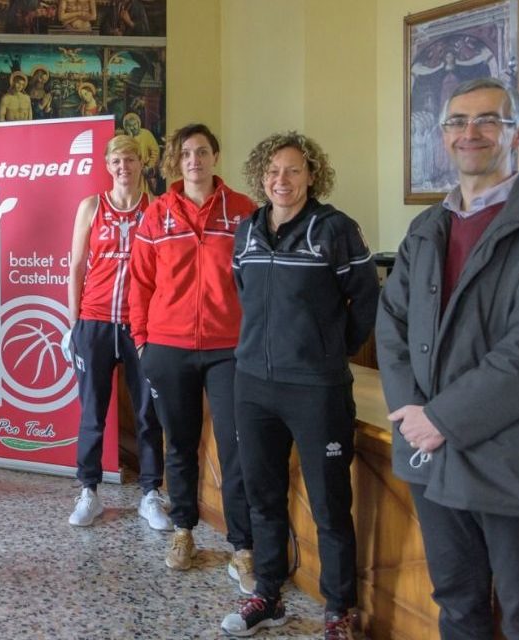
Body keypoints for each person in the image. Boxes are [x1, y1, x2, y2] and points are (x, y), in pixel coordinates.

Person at [377, 77, 519, 639]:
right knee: (457, 600)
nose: (471, 133)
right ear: (443, 137)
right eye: (457, 123)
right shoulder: (427, 229)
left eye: (488, 120)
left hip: (511, 458)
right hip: (430, 456)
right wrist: (415, 416)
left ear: (516, 134)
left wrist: (441, 419)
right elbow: (390, 326)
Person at [221, 133, 379, 638]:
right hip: (253, 385)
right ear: (261, 177)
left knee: (330, 504)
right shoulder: (246, 231)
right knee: (262, 497)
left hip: (316, 389)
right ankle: (267, 594)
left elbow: (365, 301)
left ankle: (338, 611)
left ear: (312, 175)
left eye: (292, 170)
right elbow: (244, 293)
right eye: (272, 171)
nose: (281, 180)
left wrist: (330, 352)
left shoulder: (335, 230)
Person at [128, 123, 257, 588]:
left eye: (202, 152)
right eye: (186, 154)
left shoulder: (244, 212)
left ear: (215, 157)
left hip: (230, 349)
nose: (195, 160)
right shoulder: (157, 214)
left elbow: (258, 281)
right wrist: (142, 341)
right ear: (176, 162)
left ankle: (243, 546)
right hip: (168, 347)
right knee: (179, 444)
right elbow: (139, 283)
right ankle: (183, 530)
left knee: (236, 446)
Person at [65, 134, 168, 530]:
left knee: (147, 411)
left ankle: (150, 494)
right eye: (116, 162)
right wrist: (74, 324)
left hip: (142, 326)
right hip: (94, 322)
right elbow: (76, 266)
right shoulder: (92, 206)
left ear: (142, 163)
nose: (123, 167)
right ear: (107, 167)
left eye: (130, 160)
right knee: (93, 410)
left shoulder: (157, 210)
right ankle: (88, 491)